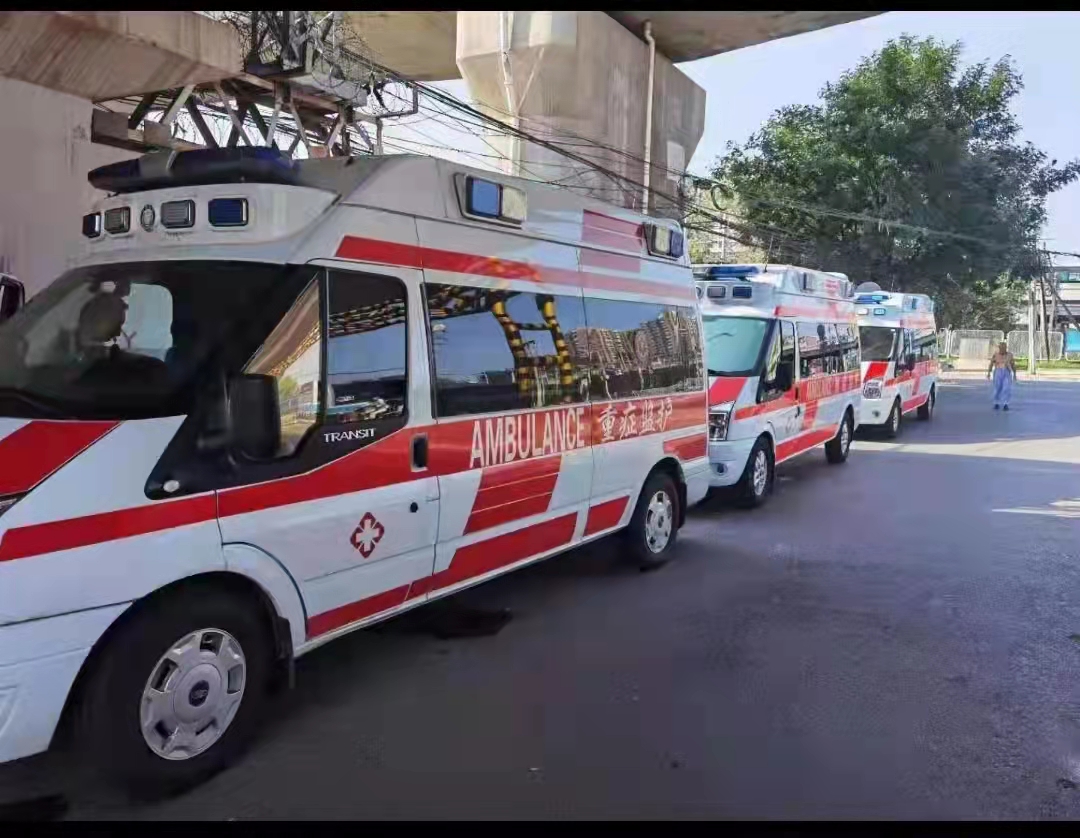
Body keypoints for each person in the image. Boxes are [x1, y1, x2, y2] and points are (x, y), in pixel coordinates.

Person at [987, 341, 1017, 410]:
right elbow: (991, 364)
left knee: (1006, 388)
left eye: (1003, 348)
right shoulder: (995, 355)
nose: (1002, 349)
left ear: (1006, 348)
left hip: (1006, 372)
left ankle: (1005, 403)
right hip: (998, 372)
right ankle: (996, 403)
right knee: (997, 388)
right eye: (1000, 348)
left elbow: (1013, 365)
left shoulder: (1010, 355)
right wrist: (989, 373)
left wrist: (1015, 374)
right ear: (999, 348)